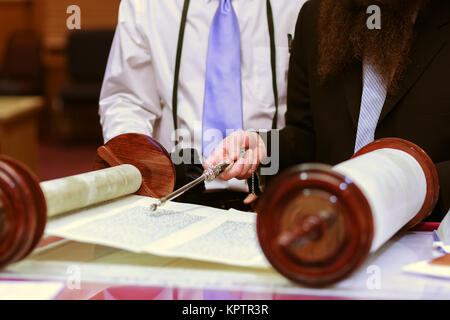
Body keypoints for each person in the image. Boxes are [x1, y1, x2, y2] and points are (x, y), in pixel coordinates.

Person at [205, 0, 450, 221]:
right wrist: (264, 148)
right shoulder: (316, 16)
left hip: (426, 234)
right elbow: (306, 137)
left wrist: (411, 186)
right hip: (329, 228)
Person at [99, 0, 306, 210]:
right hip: (175, 195)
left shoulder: (298, 5)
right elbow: (127, 99)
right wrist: (143, 171)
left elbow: (313, 119)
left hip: (276, 195)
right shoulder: (147, 5)